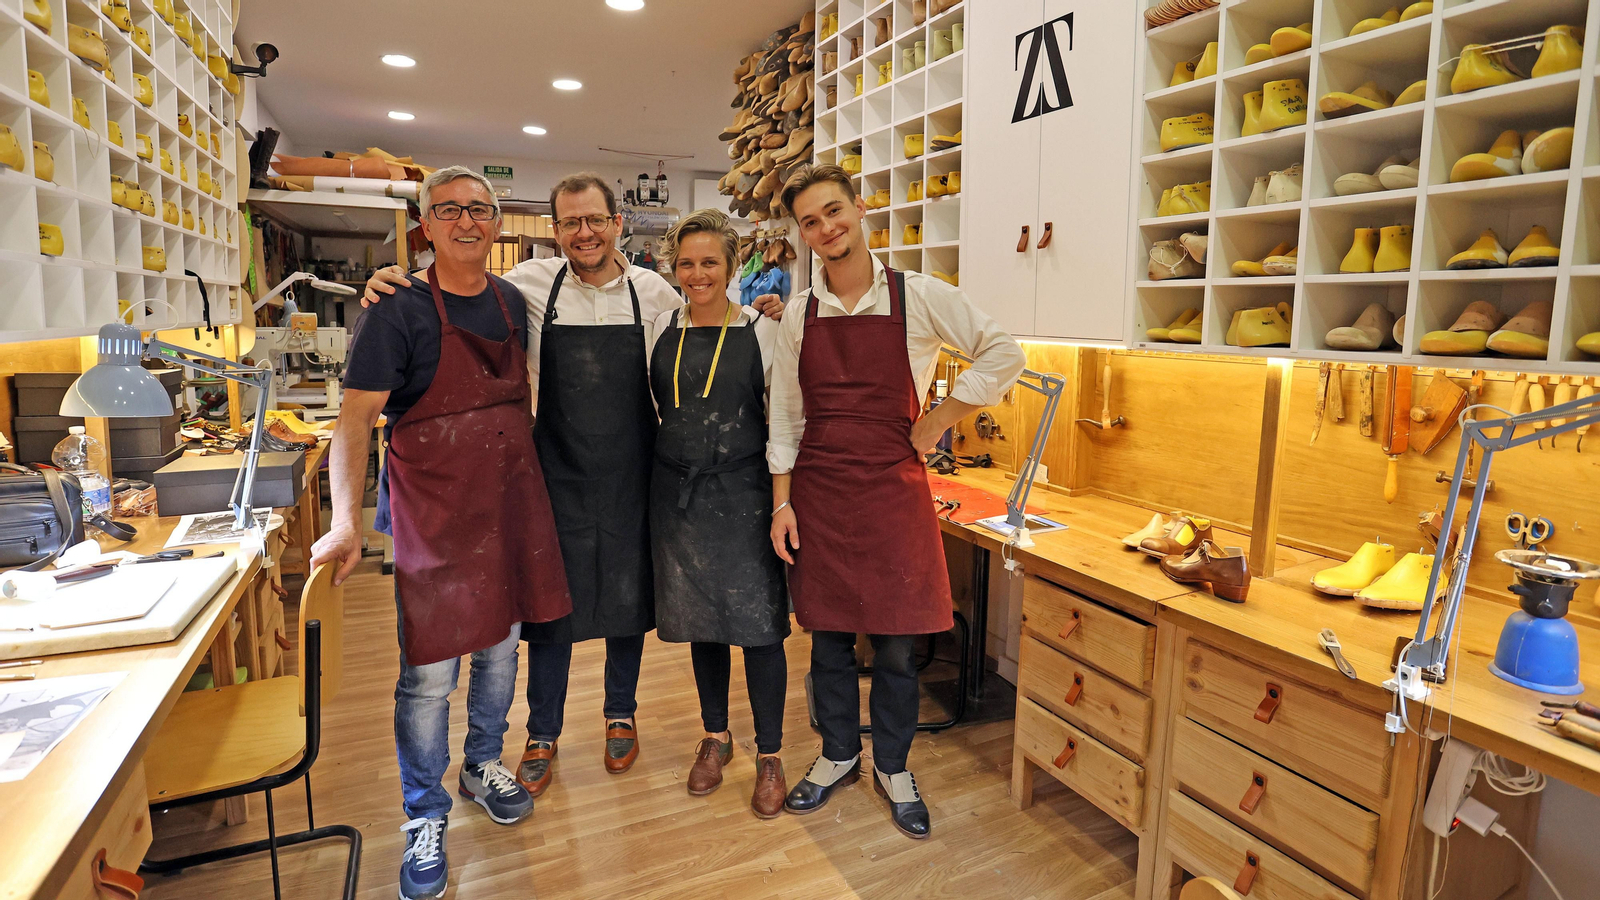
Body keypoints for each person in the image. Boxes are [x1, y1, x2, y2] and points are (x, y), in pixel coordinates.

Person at [362, 173, 680, 795]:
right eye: (569, 223)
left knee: (625, 602)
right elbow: (451, 293)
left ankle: (621, 713)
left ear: (618, 223)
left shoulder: (656, 293)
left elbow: (703, 328)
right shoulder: (525, 287)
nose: (583, 233)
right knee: (550, 612)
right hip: (550, 474)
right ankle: (542, 729)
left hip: (628, 475)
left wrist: (763, 312)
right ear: (554, 231)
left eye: (594, 220)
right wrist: (384, 281)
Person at [312, 167, 572, 900]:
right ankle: (423, 814)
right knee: (430, 673)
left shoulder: (512, 300)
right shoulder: (394, 309)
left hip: (508, 504)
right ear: (425, 225)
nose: (467, 221)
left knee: (500, 649)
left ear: (495, 222)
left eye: (480, 209)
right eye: (450, 210)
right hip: (433, 513)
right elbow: (355, 422)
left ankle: (481, 761)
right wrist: (341, 523)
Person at [767, 164, 1025, 840]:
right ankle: (837, 755)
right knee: (827, 642)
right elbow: (785, 416)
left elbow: (1004, 353)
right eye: (811, 222)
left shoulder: (920, 297)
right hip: (819, 493)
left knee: (899, 649)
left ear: (859, 209)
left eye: (833, 211)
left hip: (892, 493)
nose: (826, 229)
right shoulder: (800, 314)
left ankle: (895, 766)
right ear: (803, 236)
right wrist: (781, 504)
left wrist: (938, 419)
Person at [647, 209, 790, 818]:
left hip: (745, 493)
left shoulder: (764, 330)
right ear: (672, 268)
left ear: (733, 267)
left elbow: (783, 420)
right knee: (700, 619)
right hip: (678, 498)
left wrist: (783, 503)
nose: (697, 274)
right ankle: (716, 737)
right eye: (686, 263)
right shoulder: (658, 324)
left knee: (760, 628)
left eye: (710, 262)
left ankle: (770, 754)